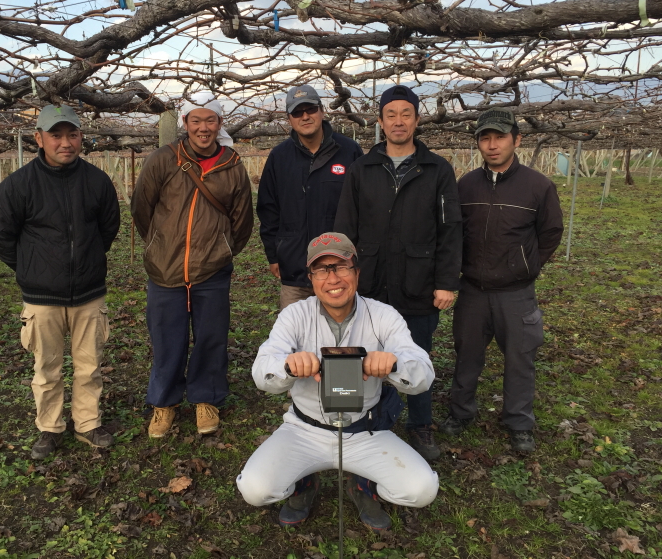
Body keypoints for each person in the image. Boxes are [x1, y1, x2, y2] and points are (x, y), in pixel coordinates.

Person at [236, 232, 438, 532]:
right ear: (311, 277)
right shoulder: (295, 315)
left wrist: (393, 364)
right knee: (255, 489)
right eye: (322, 269)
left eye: (341, 267)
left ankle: (362, 484)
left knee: (421, 490)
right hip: (304, 430)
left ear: (356, 272)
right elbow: (262, 372)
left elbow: (423, 372)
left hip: (364, 429)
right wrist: (288, 367)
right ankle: (304, 482)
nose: (333, 279)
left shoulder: (383, 315)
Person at [334, 85, 462, 461]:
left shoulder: (437, 169)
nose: (399, 121)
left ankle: (420, 424)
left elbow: (450, 230)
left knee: (416, 354)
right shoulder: (363, 169)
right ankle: (363, 418)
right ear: (380, 121)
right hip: (371, 281)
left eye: (406, 114)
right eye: (391, 115)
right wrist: (344, 277)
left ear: (417, 120)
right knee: (365, 352)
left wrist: (445, 282)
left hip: (418, 283)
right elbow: (345, 229)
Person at [0, 104, 121, 460]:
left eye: (72, 134)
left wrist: (88, 260)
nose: (66, 142)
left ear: (81, 137)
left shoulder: (97, 182)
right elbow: (2, 237)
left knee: (89, 365)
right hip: (41, 297)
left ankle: (88, 423)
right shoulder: (17, 186)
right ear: (39, 139)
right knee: (46, 368)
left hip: (89, 294)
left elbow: (108, 228)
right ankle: (49, 428)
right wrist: (32, 268)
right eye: (56, 135)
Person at [440, 108, 563, 453]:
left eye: (499, 137)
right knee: (467, 355)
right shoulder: (465, 185)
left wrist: (527, 265)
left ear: (516, 140)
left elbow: (551, 231)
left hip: (516, 293)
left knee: (520, 358)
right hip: (473, 290)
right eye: (485, 138)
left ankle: (519, 421)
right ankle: (461, 412)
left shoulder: (538, 186)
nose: (492, 145)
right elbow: (453, 233)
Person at [131, 92, 253, 439]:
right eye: (196, 120)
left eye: (210, 120)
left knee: (211, 339)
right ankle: (164, 403)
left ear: (219, 124)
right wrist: (160, 245)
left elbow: (242, 221)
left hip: (212, 271)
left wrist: (222, 249)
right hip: (165, 270)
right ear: (185, 124)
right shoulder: (163, 160)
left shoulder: (232, 166)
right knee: (167, 339)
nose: (203, 127)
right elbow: (143, 209)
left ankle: (206, 398)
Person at [257, 85, 363, 309]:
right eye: (297, 112)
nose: (305, 116)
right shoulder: (279, 157)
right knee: (297, 337)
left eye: (310, 110)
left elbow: (363, 207)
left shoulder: (349, 151)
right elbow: (268, 209)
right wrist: (274, 255)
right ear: (289, 119)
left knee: (340, 336)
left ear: (321, 111)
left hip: (339, 269)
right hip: (296, 268)